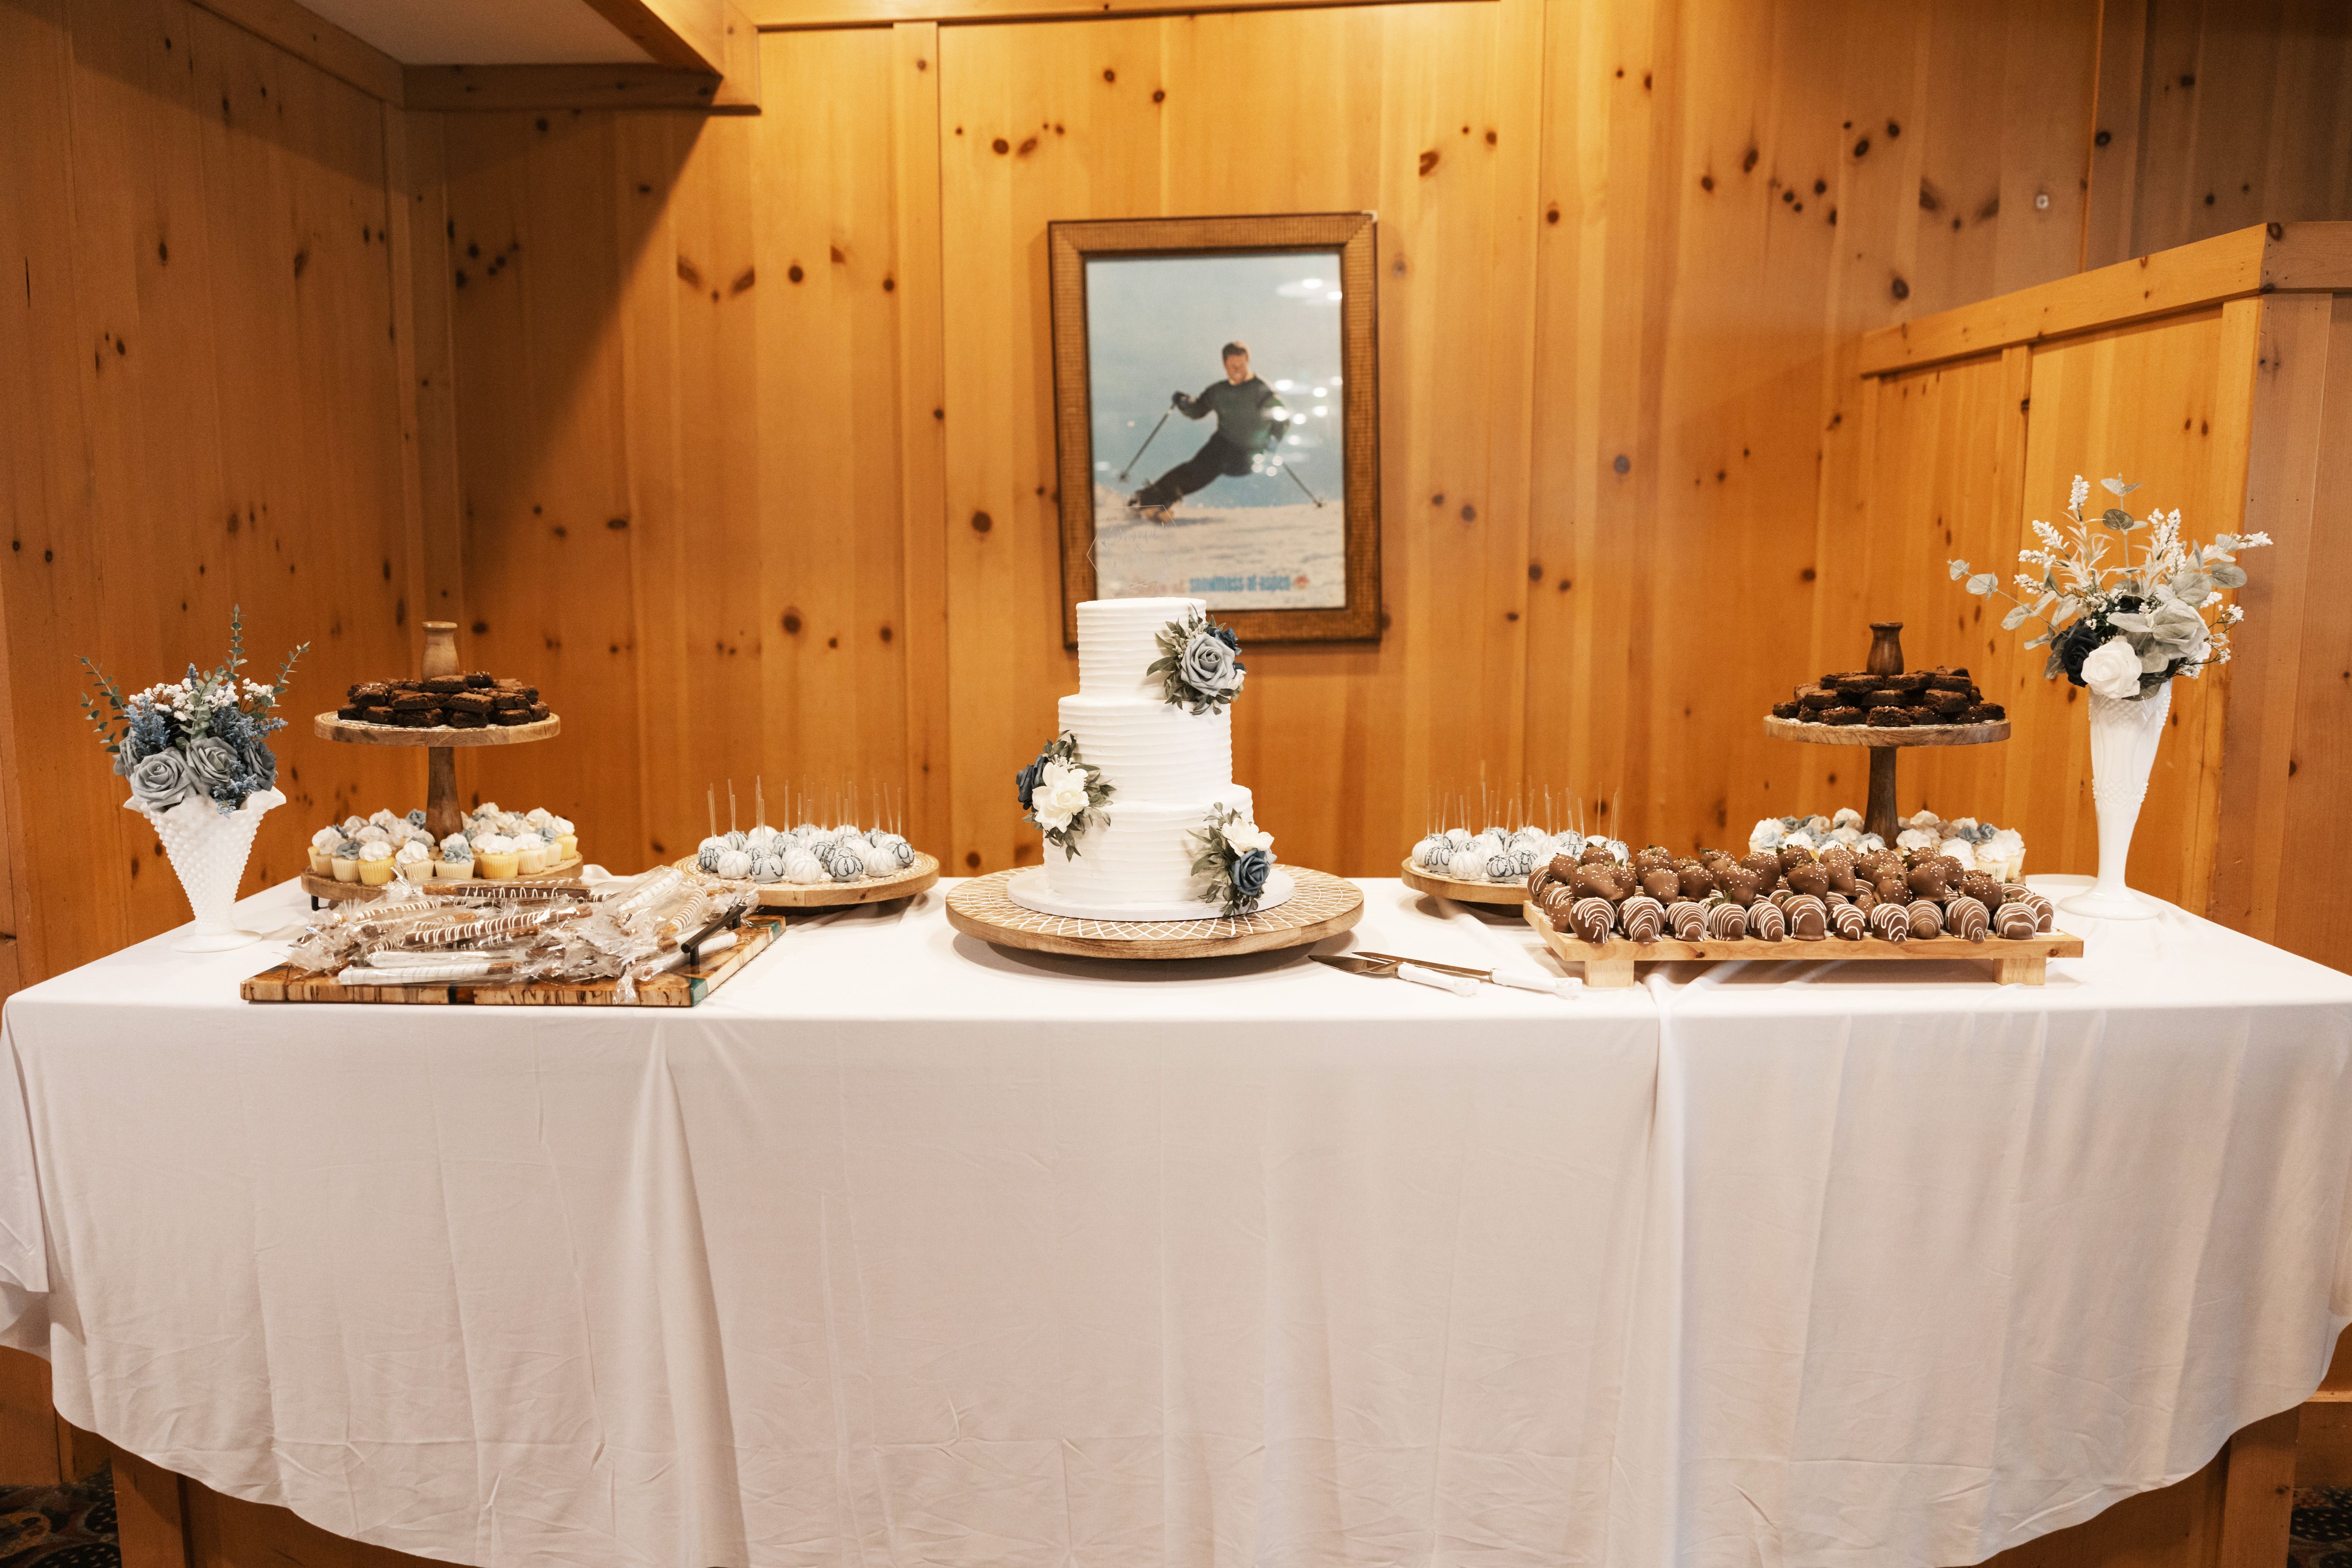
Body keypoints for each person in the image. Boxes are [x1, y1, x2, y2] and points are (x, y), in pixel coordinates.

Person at [1129, 342, 1289, 512]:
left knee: (1208, 467)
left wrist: (1274, 439)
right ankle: (1151, 499)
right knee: (1196, 468)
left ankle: (1157, 500)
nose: (1237, 370)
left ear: (1248, 363)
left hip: (1248, 453)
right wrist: (1185, 403)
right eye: (1232, 366)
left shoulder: (1261, 390)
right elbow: (1198, 411)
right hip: (1223, 442)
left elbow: (1282, 418)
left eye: (1241, 366)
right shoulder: (1218, 391)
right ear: (1225, 365)